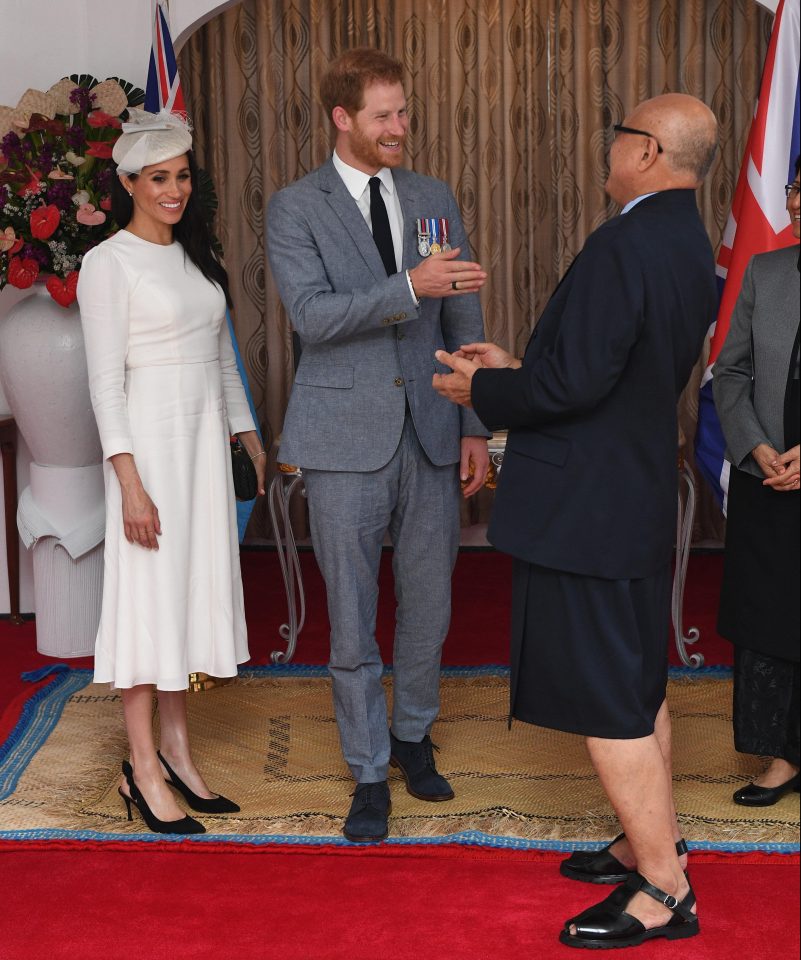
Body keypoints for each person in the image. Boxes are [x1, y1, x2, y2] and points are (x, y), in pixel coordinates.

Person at [433, 94, 719, 949]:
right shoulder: (685, 241)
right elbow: (612, 373)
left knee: (611, 704)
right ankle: (647, 839)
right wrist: (522, 364)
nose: (607, 149)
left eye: (618, 138)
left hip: (587, 507)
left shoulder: (623, 241)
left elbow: (571, 390)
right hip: (629, 492)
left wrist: (479, 391)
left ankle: (664, 890)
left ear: (649, 152)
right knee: (637, 681)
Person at [267, 48, 490, 843]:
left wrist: (474, 426)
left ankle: (410, 738)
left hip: (433, 429)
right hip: (339, 437)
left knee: (428, 605)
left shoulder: (433, 196)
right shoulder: (296, 207)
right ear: (342, 118)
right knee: (353, 613)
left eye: (403, 111)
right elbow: (313, 317)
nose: (400, 127)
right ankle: (366, 771)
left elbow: (463, 317)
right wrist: (406, 290)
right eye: (384, 116)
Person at [77, 110, 266, 834]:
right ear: (127, 183)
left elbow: (218, 357)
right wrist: (129, 482)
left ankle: (180, 753)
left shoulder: (194, 254)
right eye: (158, 178)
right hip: (147, 453)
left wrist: (247, 441)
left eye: (182, 176)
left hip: (201, 456)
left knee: (186, 598)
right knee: (146, 604)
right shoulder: (107, 263)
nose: (174, 190)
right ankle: (142, 767)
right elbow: (103, 383)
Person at [713, 156, 800, 808]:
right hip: (765, 477)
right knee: (767, 616)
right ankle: (776, 757)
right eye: (796, 188)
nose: (796, 202)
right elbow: (730, 372)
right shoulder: (765, 272)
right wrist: (754, 444)